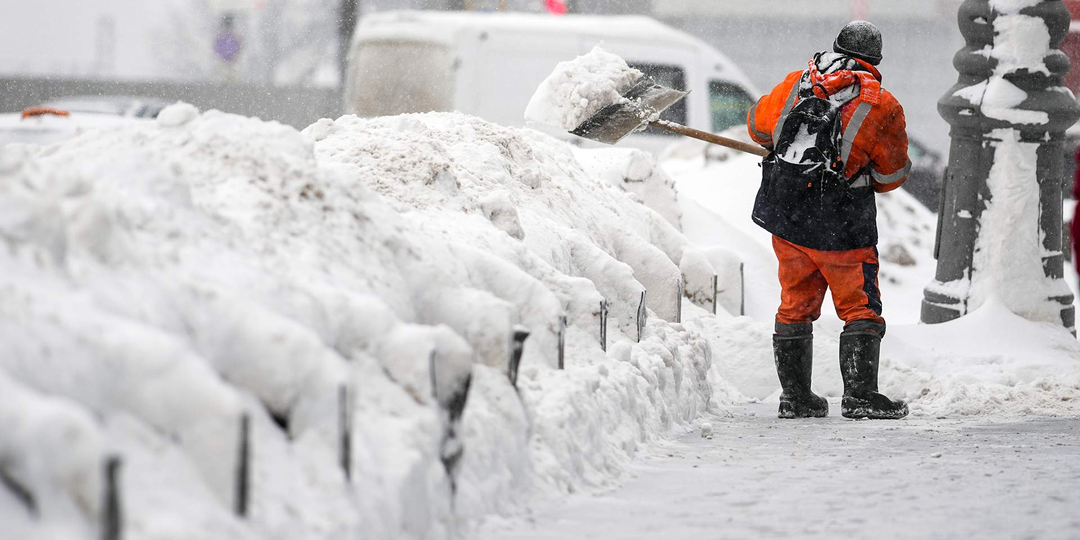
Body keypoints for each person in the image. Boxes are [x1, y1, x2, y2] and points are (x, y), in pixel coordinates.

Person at [745, 21, 910, 420]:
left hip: (787, 217)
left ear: (834, 48)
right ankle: (859, 397)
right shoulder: (882, 104)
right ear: (875, 62)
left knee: (794, 304)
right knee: (860, 308)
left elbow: (756, 128)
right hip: (842, 227)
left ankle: (796, 397)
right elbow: (891, 177)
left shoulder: (796, 82)